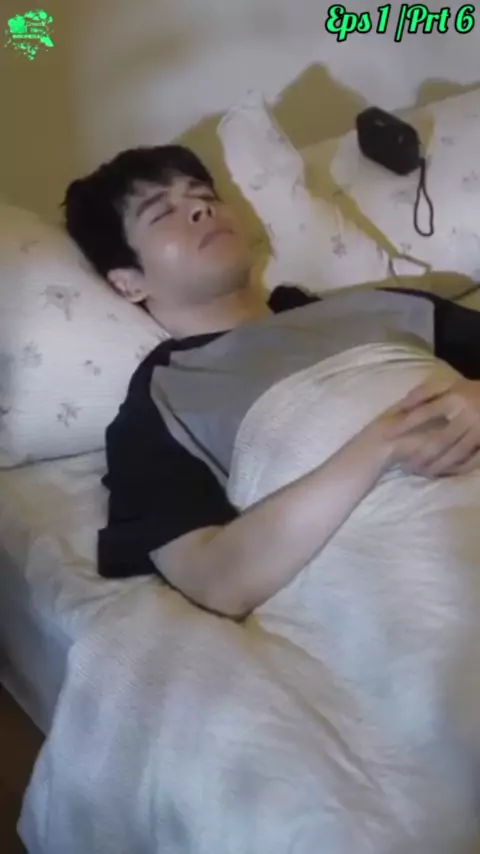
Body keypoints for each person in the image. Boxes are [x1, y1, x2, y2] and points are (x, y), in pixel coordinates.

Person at [63, 144, 480, 618]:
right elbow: (217, 580)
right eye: (162, 213)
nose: (201, 208)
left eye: (205, 196)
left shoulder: (382, 306)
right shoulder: (162, 401)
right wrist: (381, 446)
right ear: (128, 283)